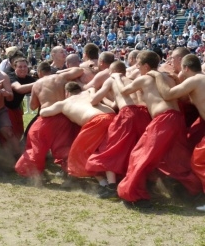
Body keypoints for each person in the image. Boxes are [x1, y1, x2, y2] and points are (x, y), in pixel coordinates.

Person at [113, 50, 202, 208]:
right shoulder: (168, 78)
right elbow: (181, 98)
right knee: (178, 160)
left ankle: (134, 195)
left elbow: (123, 91)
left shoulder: (145, 78)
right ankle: (194, 193)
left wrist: (117, 77)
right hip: (177, 119)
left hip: (164, 120)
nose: (137, 67)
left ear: (146, 66)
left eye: (139, 64)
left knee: (140, 154)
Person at [148, 54, 205, 211]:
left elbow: (168, 94)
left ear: (186, 68)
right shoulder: (200, 80)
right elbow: (188, 99)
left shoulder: (195, 80)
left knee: (198, 162)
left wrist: (157, 75)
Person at [86, 61, 151, 198]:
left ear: (112, 71)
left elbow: (93, 101)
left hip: (127, 115)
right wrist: (105, 99)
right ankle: (139, 183)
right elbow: (116, 103)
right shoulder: (133, 80)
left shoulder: (112, 79)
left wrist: (93, 92)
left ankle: (111, 186)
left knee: (110, 148)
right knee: (137, 150)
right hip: (144, 115)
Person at [15, 62, 84, 178]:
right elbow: (79, 70)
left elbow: (32, 107)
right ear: (50, 71)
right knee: (64, 147)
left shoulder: (37, 83)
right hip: (65, 116)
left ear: (39, 73)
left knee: (36, 145)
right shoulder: (61, 77)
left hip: (47, 117)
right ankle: (71, 173)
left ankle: (34, 173)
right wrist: (61, 72)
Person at [39, 82, 115, 178]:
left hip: (96, 121)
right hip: (113, 117)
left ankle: (102, 182)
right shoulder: (88, 92)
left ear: (66, 92)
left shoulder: (63, 103)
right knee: (107, 151)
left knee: (79, 153)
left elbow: (43, 113)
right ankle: (111, 182)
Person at [5, 58, 36, 140]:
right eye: (20, 67)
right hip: (5, 109)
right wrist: (40, 82)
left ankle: (19, 150)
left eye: (25, 66)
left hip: (16, 108)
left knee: (20, 132)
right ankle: (10, 151)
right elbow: (19, 89)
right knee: (11, 133)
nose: (23, 69)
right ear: (15, 67)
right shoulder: (10, 76)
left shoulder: (29, 79)